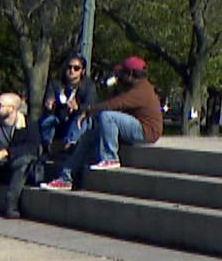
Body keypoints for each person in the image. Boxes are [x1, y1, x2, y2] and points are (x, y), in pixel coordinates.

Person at [40, 56, 162, 191]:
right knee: (86, 138)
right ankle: (65, 178)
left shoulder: (141, 90)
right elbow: (112, 102)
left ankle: (110, 157)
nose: (118, 76)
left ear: (131, 74)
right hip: (134, 126)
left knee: (108, 117)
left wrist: (88, 111)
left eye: (121, 73)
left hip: (146, 131)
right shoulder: (134, 87)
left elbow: (115, 104)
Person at [39, 53, 97, 155]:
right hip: (59, 119)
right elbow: (49, 101)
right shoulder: (56, 84)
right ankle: (47, 146)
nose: (72, 70)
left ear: (82, 71)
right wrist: (50, 104)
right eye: (69, 67)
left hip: (75, 120)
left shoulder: (88, 86)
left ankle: (70, 145)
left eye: (76, 68)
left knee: (82, 119)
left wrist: (77, 107)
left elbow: (90, 106)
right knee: (48, 119)